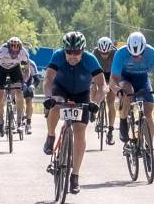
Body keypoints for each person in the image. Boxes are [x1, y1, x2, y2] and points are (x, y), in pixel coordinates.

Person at [42, 31, 106, 194]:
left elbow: (102, 85)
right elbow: (49, 79)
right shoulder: (57, 56)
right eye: (68, 52)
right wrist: (49, 97)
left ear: (83, 51)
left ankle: (75, 176)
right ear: (64, 50)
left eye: (76, 52)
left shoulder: (90, 59)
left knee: (79, 132)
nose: (72, 56)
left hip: (81, 93)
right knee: (55, 104)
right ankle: (50, 136)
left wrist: (95, 103)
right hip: (61, 89)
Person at [109, 32, 154, 143]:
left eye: (139, 54)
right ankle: (123, 121)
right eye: (133, 55)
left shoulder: (151, 53)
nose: (136, 57)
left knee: (148, 113)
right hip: (125, 78)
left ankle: (148, 147)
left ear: (144, 49)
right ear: (128, 49)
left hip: (142, 80)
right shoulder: (120, 53)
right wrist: (118, 91)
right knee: (128, 92)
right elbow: (113, 79)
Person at [0, 37, 33, 137]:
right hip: (1, 68)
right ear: (8, 49)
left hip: (14, 68)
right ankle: (0, 122)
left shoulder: (23, 53)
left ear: (20, 50)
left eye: (16, 53)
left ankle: (19, 122)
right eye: (12, 52)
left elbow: (27, 69)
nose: (14, 55)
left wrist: (24, 81)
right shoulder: (2, 51)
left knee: (19, 92)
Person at [92, 36, 119, 144]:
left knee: (110, 103)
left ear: (110, 49)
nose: (104, 55)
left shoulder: (116, 53)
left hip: (112, 75)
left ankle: (110, 131)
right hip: (99, 74)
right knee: (92, 86)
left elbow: (118, 70)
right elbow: (91, 70)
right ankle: (93, 108)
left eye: (107, 53)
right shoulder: (94, 52)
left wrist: (112, 84)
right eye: (102, 53)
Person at [22, 55, 39, 134]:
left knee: (29, 101)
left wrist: (33, 85)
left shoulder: (31, 64)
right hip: (17, 83)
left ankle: (28, 123)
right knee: (19, 100)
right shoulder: (14, 62)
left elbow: (37, 79)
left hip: (28, 84)